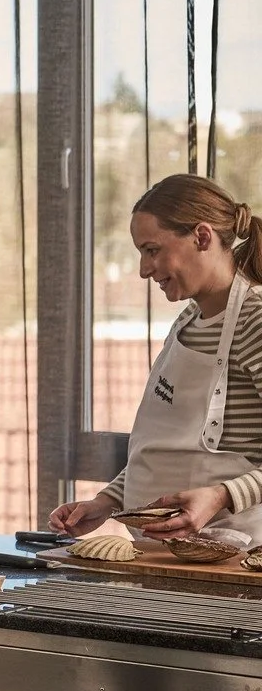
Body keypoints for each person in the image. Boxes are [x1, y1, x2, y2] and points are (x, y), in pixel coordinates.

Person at [51, 175, 262, 545]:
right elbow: (164, 444)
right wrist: (107, 501)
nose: (144, 269)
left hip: (231, 555)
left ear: (202, 237)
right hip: (163, 552)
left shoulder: (255, 320)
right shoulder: (186, 323)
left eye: (152, 250)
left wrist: (220, 496)